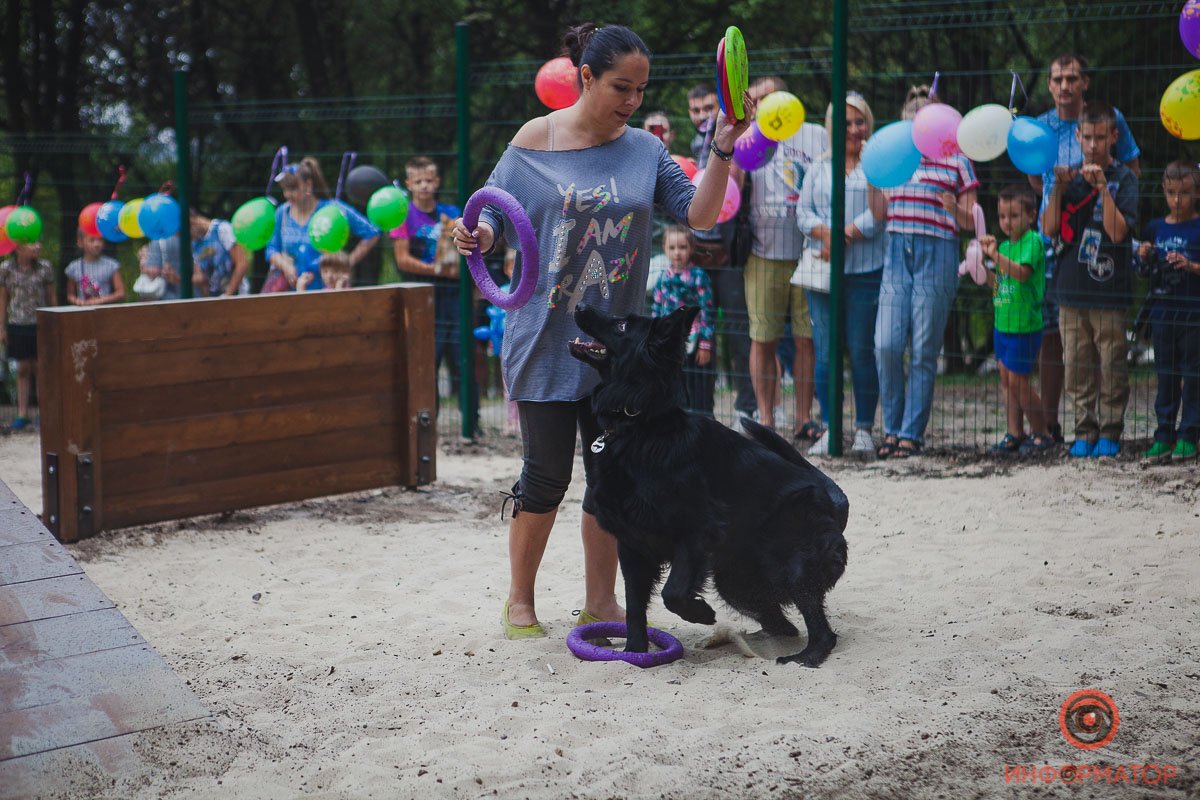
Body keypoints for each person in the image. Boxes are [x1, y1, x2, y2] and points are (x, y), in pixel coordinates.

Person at [452, 23, 753, 638]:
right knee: (545, 478)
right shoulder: (532, 145)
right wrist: (474, 240)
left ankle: (601, 602)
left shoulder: (644, 149)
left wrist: (723, 145)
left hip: (616, 358)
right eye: (622, 86)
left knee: (607, 476)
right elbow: (492, 222)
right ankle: (519, 602)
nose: (632, 101)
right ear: (585, 77)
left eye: (641, 90)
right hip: (545, 341)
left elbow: (698, 215)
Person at [1030, 54, 1142, 444]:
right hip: (1071, 287)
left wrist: (1101, 190)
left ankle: (1110, 430)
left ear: (1114, 137)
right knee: (1075, 362)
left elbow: (1116, 233)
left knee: (1111, 362)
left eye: (1101, 138)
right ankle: (1083, 430)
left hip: (1110, 290)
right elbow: (1048, 229)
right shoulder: (1069, 178)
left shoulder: (1124, 179)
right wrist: (1060, 187)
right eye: (1087, 138)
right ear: (1077, 137)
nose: (1093, 146)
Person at [875, 86, 979, 459]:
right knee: (886, 344)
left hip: (939, 253)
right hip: (896, 251)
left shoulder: (958, 159)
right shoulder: (897, 156)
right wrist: (874, 176)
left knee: (923, 348)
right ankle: (891, 427)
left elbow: (973, 220)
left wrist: (954, 208)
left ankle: (909, 434)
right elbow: (878, 212)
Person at [796, 91, 886, 455]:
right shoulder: (818, 166)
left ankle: (864, 428)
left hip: (865, 272)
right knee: (825, 353)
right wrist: (826, 234)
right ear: (832, 127)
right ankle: (830, 428)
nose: (853, 129)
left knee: (862, 351)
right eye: (845, 123)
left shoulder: (877, 167)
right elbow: (802, 214)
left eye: (859, 121)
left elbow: (880, 216)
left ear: (869, 124)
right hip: (822, 274)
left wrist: (845, 234)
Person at [741, 75, 826, 438]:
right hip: (762, 253)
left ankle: (804, 418)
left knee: (808, 339)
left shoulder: (815, 134)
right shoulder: (747, 136)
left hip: (810, 252)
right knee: (763, 338)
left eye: (771, 96)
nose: (764, 104)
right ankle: (766, 419)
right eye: (757, 99)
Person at [688, 83, 757, 419]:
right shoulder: (689, 147)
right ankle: (701, 409)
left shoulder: (737, 140)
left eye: (707, 109)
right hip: (695, 254)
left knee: (737, 330)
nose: (702, 116)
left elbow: (734, 189)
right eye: (696, 110)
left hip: (729, 253)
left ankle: (746, 407)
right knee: (699, 332)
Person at [390, 156, 475, 416]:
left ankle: (471, 421)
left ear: (437, 182)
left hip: (454, 296)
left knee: (462, 356)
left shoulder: (450, 214)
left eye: (429, 180)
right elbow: (403, 260)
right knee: (428, 358)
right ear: (409, 184)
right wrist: (438, 271)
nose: (424, 186)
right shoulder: (402, 216)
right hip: (422, 296)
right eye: (418, 181)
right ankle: (428, 420)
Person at [978, 185, 1053, 455]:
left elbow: (1021, 274)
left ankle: (1041, 431)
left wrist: (995, 256)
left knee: (1019, 380)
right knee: (1006, 380)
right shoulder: (1006, 245)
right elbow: (1000, 283)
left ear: (1031, 216)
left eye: (1013, 216)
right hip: (1003, 325)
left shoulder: (1033, 241)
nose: (1006, 222)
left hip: (1024, 326)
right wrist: (979, 270)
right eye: (1002, 216)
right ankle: (1014, 433)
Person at [1136, 160, 1200, 463]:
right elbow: (1141, 271)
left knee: (1193, 375)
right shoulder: (1154, 228)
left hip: (1193, 314)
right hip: (1162, 312)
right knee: (1166, 375)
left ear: (1196, 193)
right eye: (1172, 192)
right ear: (1163, 190)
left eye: (1184, 193)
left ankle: (1189, 435)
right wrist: (1144, 255)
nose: (1177, 200)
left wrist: (1190, 266)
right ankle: (1163, 434)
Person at [264, 157, 380, 292]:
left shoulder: (333, 210)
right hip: (293, 294)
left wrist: (347, 262)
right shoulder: (282, 213)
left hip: (329, 292)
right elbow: (271, 249)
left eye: (293, 188)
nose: (288, 194)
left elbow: (372, 232)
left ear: (308, 185)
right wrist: (285, 266)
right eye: (285, 189)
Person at [650, 224, 716, 415]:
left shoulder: (699, 277)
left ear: (691, 249)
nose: (677, 253)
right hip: (670, 343)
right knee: (674, 387)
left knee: (698, 388)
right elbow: (656, 309)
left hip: (694, 341)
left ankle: (704, 423)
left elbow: (707, 311)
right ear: (664, 249)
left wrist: (705, 343)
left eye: (682, 247)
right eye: (672, 248)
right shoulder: (663, 278)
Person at [0, 241, 54, 429]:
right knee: (23, 368)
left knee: (41, 368)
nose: (38, 246)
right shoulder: (6, 268)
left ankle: (43, 412)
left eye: (39, 242)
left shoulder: (45, 267)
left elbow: (51, 296)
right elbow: (3, 298)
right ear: (19, 246)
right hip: (17, 323)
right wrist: (2, 327)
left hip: (39, 323)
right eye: (32, 243)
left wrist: (54, 323)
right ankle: (22, 413)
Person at [191, 209, 251, 297]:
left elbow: (242, 264)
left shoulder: (222, 228)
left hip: (236, 297)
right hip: (215, 299)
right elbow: (202, 278)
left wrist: (227, 295)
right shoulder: (195, 244)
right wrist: (178, 279)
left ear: (192, 221)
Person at [65, 230, 125, 306]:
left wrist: (101, 300)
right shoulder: (73, 267)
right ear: (80, 242)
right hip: (83, 313)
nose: (97, 244)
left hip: (105, 313)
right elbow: (70, 295)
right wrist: (77, 301)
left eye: (100, 239)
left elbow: (121, 293)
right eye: (92, 240)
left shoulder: (112, 265)